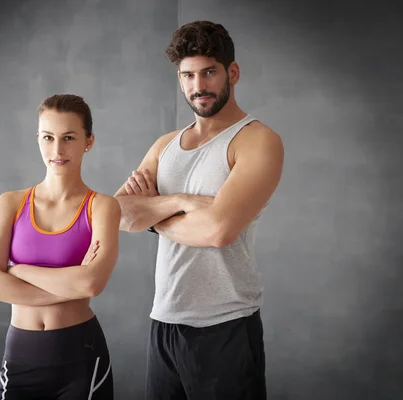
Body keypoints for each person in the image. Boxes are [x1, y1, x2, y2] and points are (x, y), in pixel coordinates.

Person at [114, 21, 284, 399]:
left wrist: (153, 214)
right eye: (188, 75)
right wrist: (180, 202)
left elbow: (218, 231)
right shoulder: (165, 145)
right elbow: (117, 214)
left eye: (209, 72)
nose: (198, 86)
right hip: (164, 322)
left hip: (225, 326)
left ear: (232, 73)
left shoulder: (257, 141)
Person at [0, 94, 120, 399]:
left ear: (88, 141)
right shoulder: (10, 203)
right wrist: (71, 285)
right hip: (21, 356)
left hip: (81, 358)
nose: (57, 149)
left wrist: (19, 270)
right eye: (48, 137)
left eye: (69, 137)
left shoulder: (103, 207)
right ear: (38, 139)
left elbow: (92, 283)